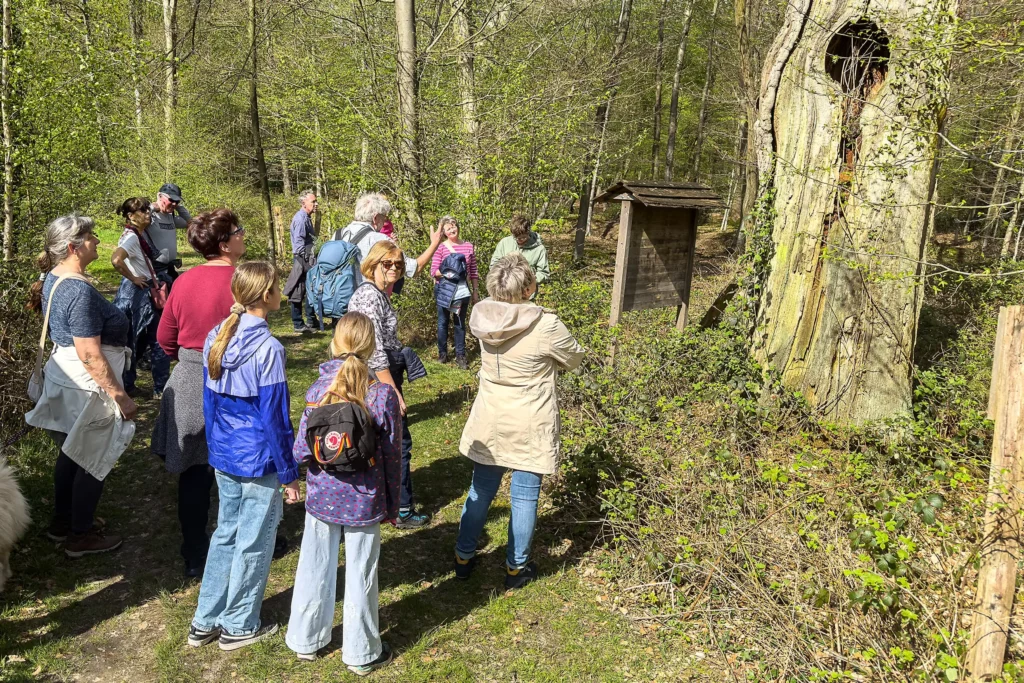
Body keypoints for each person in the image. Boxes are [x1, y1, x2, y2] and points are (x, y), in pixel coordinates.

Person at [187, 262, 301, 652]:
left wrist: (216, 448)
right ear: (267, 296)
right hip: (258, 458)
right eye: (277, 286)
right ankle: (237, 624)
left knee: (224, 534)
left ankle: (205, 619)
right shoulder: (269, 349)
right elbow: (275, 418)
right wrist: (289, 473)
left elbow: (209, 403)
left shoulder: (215, 336)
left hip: (225, 453)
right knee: (253, 540)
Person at [453, 253, 584, 588]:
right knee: (524, 496)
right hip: (529, 419)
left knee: (480, 489)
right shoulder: (546, 325)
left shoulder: (482, 318)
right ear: (528, 288)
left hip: (491, 417)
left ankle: (463, 556)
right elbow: (575, 359)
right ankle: (516, 568)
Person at [285, 312, 401, 675]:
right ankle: (361, 651)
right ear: (371, 347)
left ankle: (306, 639)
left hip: (322, 497)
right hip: (365, 500)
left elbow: (302, 451)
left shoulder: (319, 391)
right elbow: (393, 456)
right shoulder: (382, 396)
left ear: (336, 343)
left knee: (314, 567)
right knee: (362, 574)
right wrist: (394, 503)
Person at [25, 214, 137, 558]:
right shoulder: (79, 291)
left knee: (71, 454)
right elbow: (89, 353)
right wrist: (120, 396)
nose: (98, 242)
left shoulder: (53, 277)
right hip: (88, 388)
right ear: (74, 247)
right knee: (92, 457)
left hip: (64, 380)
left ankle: (63, 523)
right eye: (91, 236)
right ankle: (81, 535)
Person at [152, 209, 245, 579]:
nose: (243, 234)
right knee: (237, 472)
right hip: (235, 381)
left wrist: (190, 361)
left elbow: (164, 338)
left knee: (193, 473)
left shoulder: (185, 281)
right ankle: (237, 543)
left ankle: (194, 553)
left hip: (190, 379)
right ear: (224, 243)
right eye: (238, 231)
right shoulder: (244, 280)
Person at [347, 241, 428, 529]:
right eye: (388, 263)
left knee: (383, 441)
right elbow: (375, 351)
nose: (394, 268)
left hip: (375, 376)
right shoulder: (369, 297)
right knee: (398, 442)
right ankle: (401, 508)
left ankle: (383, 502)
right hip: (375, 378)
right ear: (373, 264)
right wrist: (392, 391)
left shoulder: (379, 294)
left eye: (398, 264)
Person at [111, 197, 170, 399]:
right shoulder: (132, 238)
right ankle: (159, 388)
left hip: (139, 291)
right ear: (131, 216)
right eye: (143, 211)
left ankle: (131, 384)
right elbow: (116, 260)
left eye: (148, 210)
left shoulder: (138, 234)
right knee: (155, 339)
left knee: (133, 340)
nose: (148, 214)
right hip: (139, 293)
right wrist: (134, 278)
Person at [331, 192, 442, 282]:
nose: (385, 221)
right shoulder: (379, 240)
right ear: (375, 218)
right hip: (365, 304)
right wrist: (434, 244)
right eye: (384, 217)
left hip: (333, 304)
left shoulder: (338, 234)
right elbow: (414, 269)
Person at [430, 216, 479, 368]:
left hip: (462, 291)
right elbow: (434, 271)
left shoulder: (469, 246)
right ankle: (442, 354)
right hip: (445, 290)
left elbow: (473, 271)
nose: (452, 229)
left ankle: (461, 356)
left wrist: (475, 291)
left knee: (460, 323)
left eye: (453, 226)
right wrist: (451, 272)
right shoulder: (441, 247)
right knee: (443, 322)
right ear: (444, 232)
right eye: (448, 228)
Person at [489, 215, 550, 300]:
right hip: (504, 294)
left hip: (526, 296)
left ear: (528, 233)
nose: (519, 240)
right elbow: (494, 266)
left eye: (523, 237)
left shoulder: (539, 249)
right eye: (516, 238)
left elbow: (544, 273)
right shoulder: (504, 243)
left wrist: (530, 280)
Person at [284, 190, 319, 333]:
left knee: (310, 289)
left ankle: (311, 320)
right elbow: (299, 245)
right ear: (304, 203)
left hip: (307, 257)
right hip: (302, 258)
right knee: (298, 290)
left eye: (316, 201)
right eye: (313, 202)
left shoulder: (306, 217)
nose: (316, 204)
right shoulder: (300, 219)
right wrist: (308, 260)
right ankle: (298, 323)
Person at [146, 183, 191, 281]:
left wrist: (179, 207)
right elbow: (134, 220)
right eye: (171, 200)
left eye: (177, 201)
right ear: (160, 196)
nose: (174, 203)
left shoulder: (172, 217)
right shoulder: (150, 217)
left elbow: (191, 223)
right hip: (154, 270)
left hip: (170, 269)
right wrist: (151, 208)